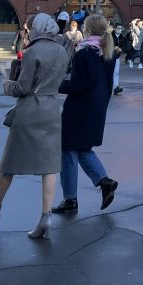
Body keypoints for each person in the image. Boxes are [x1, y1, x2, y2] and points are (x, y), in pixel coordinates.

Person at [0, 13, 71, 240]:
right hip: (51, 109)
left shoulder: (33, 51)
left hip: (30, 110)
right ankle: (45, 216)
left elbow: (23, 87)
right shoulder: (62, 50)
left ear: (36, 29)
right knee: (50, 166)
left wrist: (6, 82)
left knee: (9, 164)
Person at [51, 14, 119, 215]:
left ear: (88, 30)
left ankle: (70, 198)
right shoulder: (108, 53)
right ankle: (104, 181)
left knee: (67, 151)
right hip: (96, 108)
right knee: (82, 149)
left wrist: (57, 84)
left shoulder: (83, 54)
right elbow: (109, 85)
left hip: (78, 109)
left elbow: (78, 86)